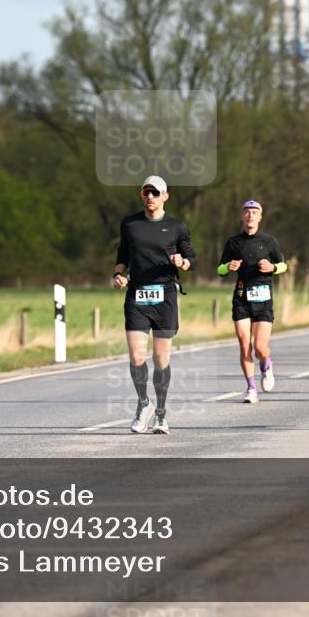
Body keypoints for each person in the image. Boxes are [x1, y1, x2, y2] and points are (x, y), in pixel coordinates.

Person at [114, 175, 196, 434]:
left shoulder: (176, 226)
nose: (150, 197)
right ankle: (143, 403)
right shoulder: (130, 224)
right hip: (137, 295)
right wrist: (117, 274)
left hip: (165, 296)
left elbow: (190, 256)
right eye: (146, 192)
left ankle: (161, 413)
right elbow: (123, 256)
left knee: (161, 359)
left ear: (165, 196)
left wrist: (183, 263)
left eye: (155, 193)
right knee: (137, 356)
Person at [217, 200, 286, 403]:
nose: (250, 215)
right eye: (246, 212)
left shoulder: (269, 241)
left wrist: (272, 267)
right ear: (242, 216)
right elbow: (219, 269)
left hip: (263, 298)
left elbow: (284, 265)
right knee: (244, 343)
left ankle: (266, 365)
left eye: (254, 212)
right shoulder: (233, 243)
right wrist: (228, 266)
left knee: (260, 348)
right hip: (241, 297)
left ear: (260, 217)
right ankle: (251, 388)